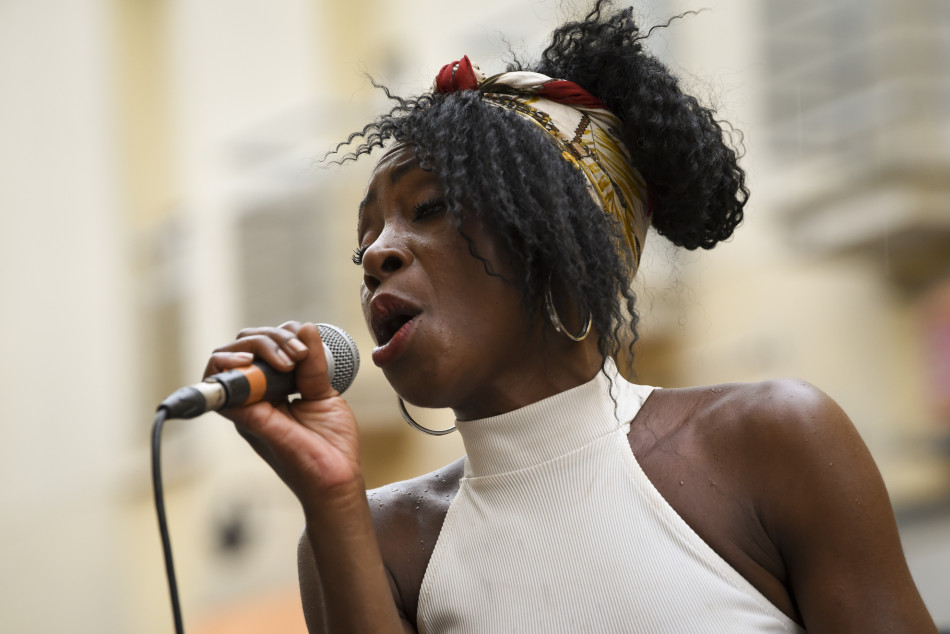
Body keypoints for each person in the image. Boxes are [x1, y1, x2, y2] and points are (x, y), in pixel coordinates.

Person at [203, 2, 937, 631]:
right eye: (365, 240)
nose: (377, 256)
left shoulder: (772, 440)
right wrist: (331, 496)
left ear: (555, 239)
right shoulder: (380, 542)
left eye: (427, 209)